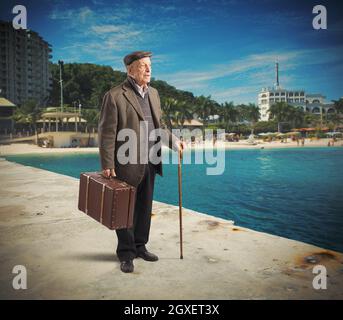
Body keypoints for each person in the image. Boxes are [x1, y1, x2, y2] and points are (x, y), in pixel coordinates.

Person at [98, 51, 184, 273]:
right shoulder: (115, 95)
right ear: (130, 70)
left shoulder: (154, 94)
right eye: (143, 65)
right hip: (125, 162)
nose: (148, 69)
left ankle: (140, 246)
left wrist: (173, 142)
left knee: (144, 207)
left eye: (150, 66)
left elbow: (158, 126)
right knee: (125, 210)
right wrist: (108, 163)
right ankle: (126, 254)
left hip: (151, 160)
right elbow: (107, 133)